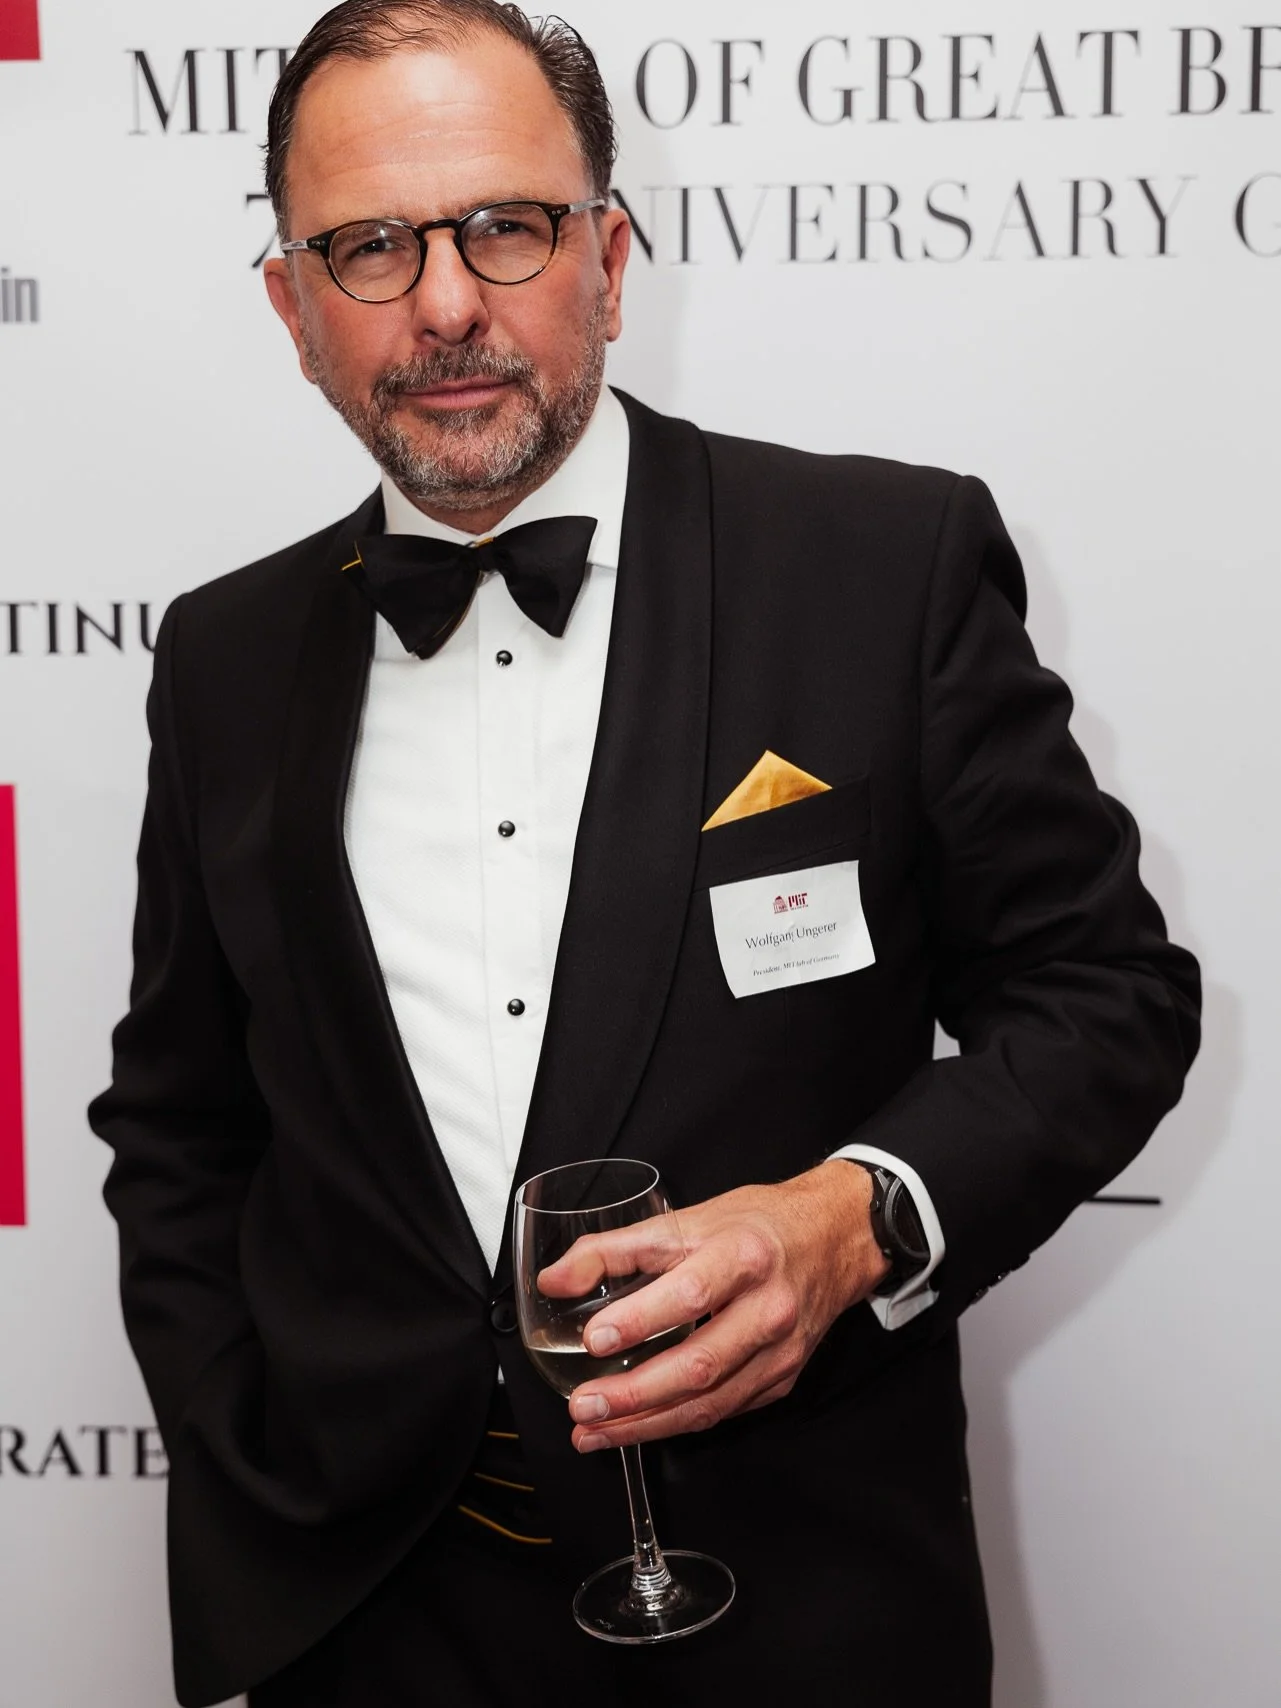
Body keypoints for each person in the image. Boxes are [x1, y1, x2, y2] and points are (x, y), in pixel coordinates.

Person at [88, 3, 1201, 1705]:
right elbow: (183, 1118)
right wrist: (250, 1454)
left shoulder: (877, 565)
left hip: (803, 1607)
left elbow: (1105, 997)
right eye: (370, 247)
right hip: (365, 1619)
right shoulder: (222, 658)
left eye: (506, 228)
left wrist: (851, 1223)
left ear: (609, 255)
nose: (447, 304)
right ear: (290, 306)